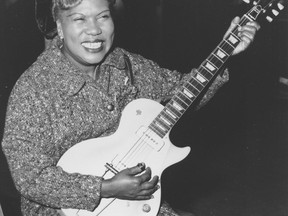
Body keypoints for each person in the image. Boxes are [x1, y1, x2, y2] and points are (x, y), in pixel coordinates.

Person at [1, 0, 260, 215]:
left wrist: (226, 54)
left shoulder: (126, 64)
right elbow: (30, 177)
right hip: (60, 208)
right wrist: (105, 188)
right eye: (79, 19)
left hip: (133, 200)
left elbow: (183, 94)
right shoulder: (34, 89)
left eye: (102, 16)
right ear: (59, 26)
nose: (94, 30)